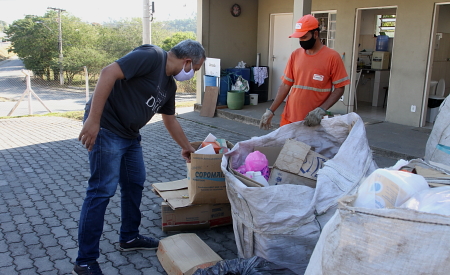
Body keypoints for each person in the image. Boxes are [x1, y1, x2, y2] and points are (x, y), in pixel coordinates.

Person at [73, 39, 206, 275]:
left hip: (130, 135)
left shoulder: (170, 86)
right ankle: (85, 261)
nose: (192, 74)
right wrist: (93, 120)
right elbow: (108, 73)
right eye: (194, 69)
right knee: (101, 191)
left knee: (134, 184)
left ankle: (129, 237)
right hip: (106, 129)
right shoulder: (152, 56)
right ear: (187, 61)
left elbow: (170, 119)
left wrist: (187, 147)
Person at [260, 14, 350, 130]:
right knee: (285, 148)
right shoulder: (295, 55)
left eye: (304, 37)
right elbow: (285, 85)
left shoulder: (332, 57)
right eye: (299, 38)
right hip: (289, 119)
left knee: (307, 149)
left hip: (313, 122)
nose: (301, 41)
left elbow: (340, 88)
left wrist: (321, 110)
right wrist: (270, 110)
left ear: (315, 34)